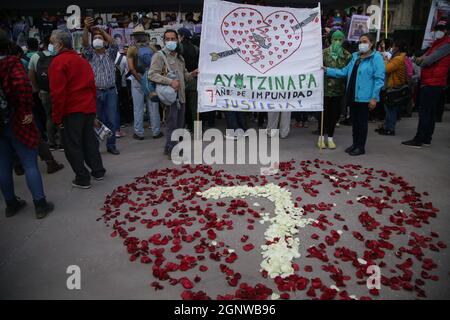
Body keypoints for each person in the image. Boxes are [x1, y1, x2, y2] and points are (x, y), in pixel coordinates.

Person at [0, 29, 54, 219]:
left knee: (3, 164)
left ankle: (11, 203)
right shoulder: (10, 62)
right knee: (30, 162)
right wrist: (26, 111)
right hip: (16, 118)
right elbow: (22, 87)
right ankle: (40, 204)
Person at [48, 29, 106, 189]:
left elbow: (58, 94)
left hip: (72, 110)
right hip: (87, 108)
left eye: (52, 42)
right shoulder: (81, 61)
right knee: (89, 142)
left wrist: (57, 118)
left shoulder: (58, 63)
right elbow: (92, 87)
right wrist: (93, 110)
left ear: (59, 44)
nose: (51, 45)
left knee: (72, 145)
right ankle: (98, 170)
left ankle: (82, 177)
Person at [325, 33, 385, 156]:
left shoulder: (376, 58)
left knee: (362, 123)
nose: (361, 44)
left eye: (364, 41)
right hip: (353, 94)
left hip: (365, 97)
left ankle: (360, 146)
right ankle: (354, 144)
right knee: (354, 121)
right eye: (360, 42)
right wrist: (328, 70)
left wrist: (374, 98)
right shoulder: (355, 56)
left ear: (371, 43)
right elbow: (344, 72)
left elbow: (379, 79)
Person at [149, 29, 198, 158]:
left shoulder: (179, 57)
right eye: (167, 39)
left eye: (173, 39)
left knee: (179, 124)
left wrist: (192, 74)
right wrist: (170, 82)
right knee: (172, 124)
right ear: (164, 41)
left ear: (178, 40)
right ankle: (173, 150)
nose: (170, 41)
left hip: (181, 96)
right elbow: (152, 74)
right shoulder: (159, 56)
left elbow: (184, 75)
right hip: (170, 97)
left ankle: (170, 147)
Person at [402, 20, 450, 148]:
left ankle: (420, 139)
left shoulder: (446, 44)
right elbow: (422, 58)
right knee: (429, 112)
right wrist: (422, 59)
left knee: (425, 112)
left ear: (447, 30)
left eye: (442, 29)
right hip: (431, 81)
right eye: (437, 28)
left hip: (433, 82)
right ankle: (426, 138)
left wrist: (422, 60)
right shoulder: (436, 44)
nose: (438, 31)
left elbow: (426, 61)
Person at [82, 17, 120, 155]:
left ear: (104, 41)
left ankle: (111, 145)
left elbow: (114, 43)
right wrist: (87, 28)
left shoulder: (110, 54)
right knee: (95, 120)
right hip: (96, 92)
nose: (97, 39)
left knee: (111, 119)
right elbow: (85, 43)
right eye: (95, 37)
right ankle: (95, 146)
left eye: (100, 38)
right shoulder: (90, 55)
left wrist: (101, 32)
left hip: (110, 91)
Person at [127, 25, 163, 140]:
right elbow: (159, 64)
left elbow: (131, 68)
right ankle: (156, 131)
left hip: (138, 79)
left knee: (138, 108)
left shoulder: (132, 49)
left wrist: (141, 80)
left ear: (135, 37)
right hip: (151, 78)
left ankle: (139, 133)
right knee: (153, 106)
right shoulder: (152, 47)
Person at [319, 30, 352, 149]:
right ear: (330, 40)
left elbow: (347, 72)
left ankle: (331, 138)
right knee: (323, 114)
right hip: (324, 89)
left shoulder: (347, 55)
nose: (337, 42)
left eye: (340, 40)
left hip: (338, 89)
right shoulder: (323, 53)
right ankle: (321, 137)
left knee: (334, 115)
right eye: (335, 39)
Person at [376, 39, 408, 136]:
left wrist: (385, 60)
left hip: (394, 86)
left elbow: (386, 69)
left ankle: (390, 129)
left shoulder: (398, 59)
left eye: (393, 46)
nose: (391, 48)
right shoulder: (398, 58)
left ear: (397, 48)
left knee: (391, 109)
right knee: (388, 108)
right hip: (393, 85)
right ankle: (386, 127)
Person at [178, 27, 199, 133]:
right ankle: (197, 130)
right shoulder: (195, 48)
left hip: (183, 79)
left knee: (182, 106)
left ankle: (184, 127)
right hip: (194, 79)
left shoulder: (179, 48)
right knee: (194, 107)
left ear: (181, 36)